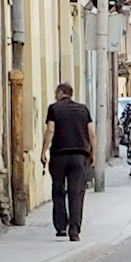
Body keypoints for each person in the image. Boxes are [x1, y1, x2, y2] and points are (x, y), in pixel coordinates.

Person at [43, 80, 95, 241]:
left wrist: (44, 150)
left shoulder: (54, 108)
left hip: (59, 155)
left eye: (56, 93)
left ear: (60, 93)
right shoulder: (83, 109)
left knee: (58, 190)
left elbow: (50, 130)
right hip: (79, 156)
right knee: (76, 193)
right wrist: (93, 154)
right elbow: (91, 133)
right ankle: (74, 230)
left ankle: (60, 227)